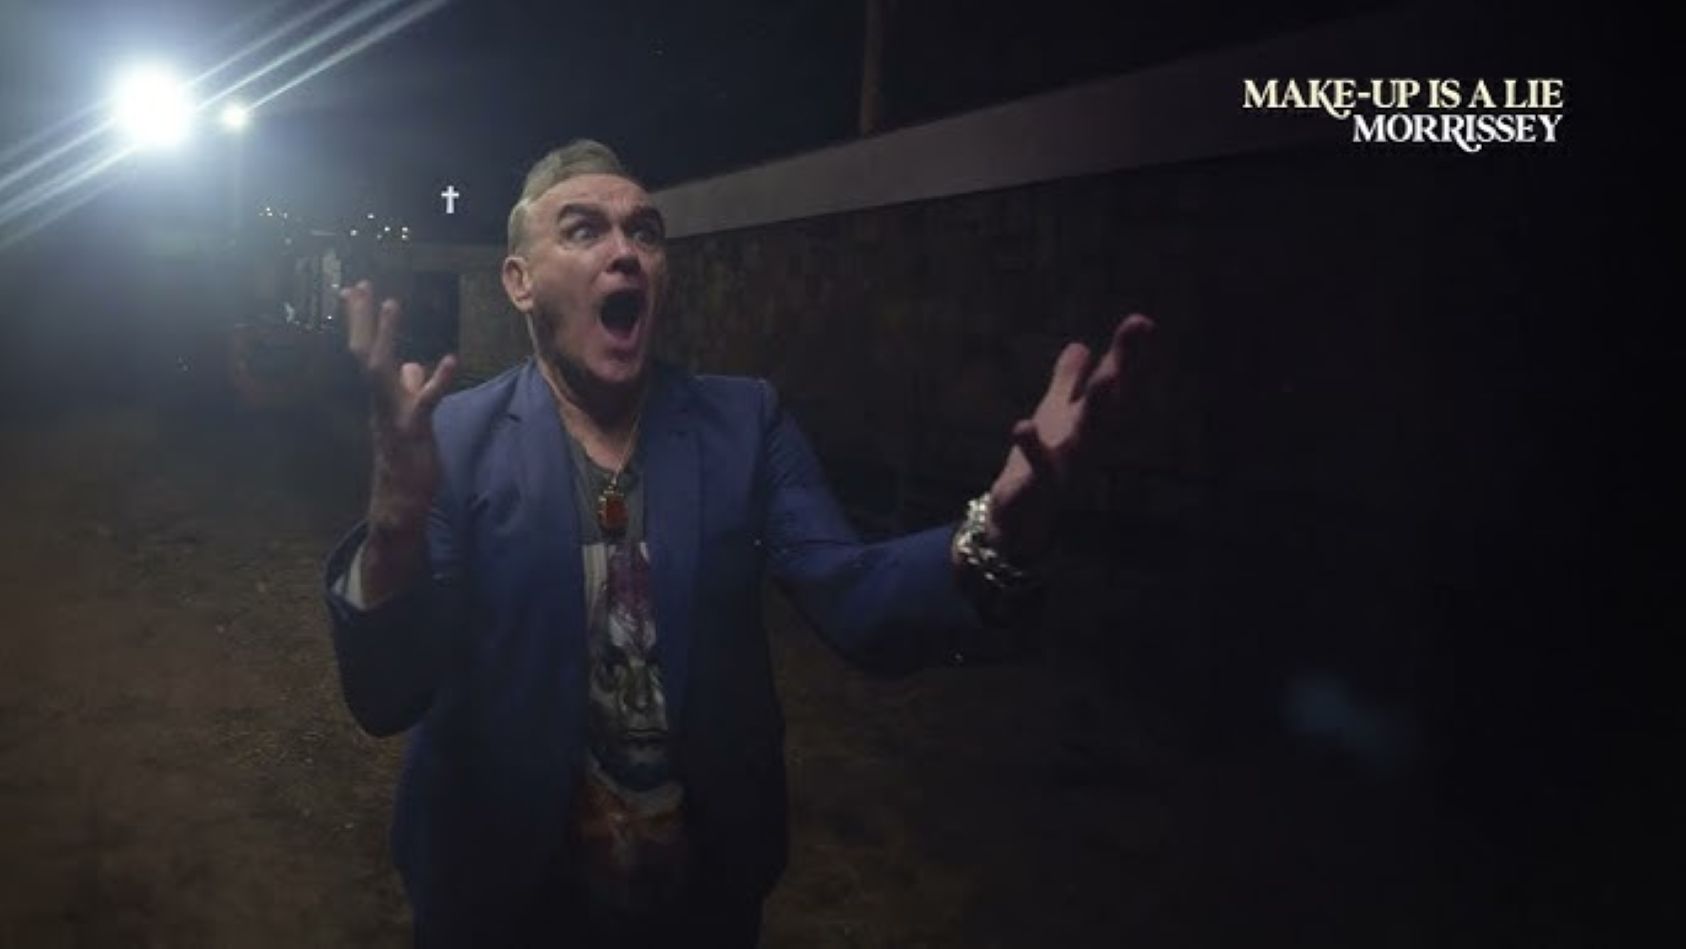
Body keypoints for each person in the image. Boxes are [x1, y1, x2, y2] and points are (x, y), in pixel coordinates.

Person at [322, 139, 1154, 947]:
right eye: (582, 230)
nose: (625, 251)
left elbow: (858, 599)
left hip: (699, 905)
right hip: (502, 901)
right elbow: (387, 693)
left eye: (645, 231)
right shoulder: (457, 439)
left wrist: (997, 531)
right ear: (520, 281)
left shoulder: (744, 423)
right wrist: (394, 521)